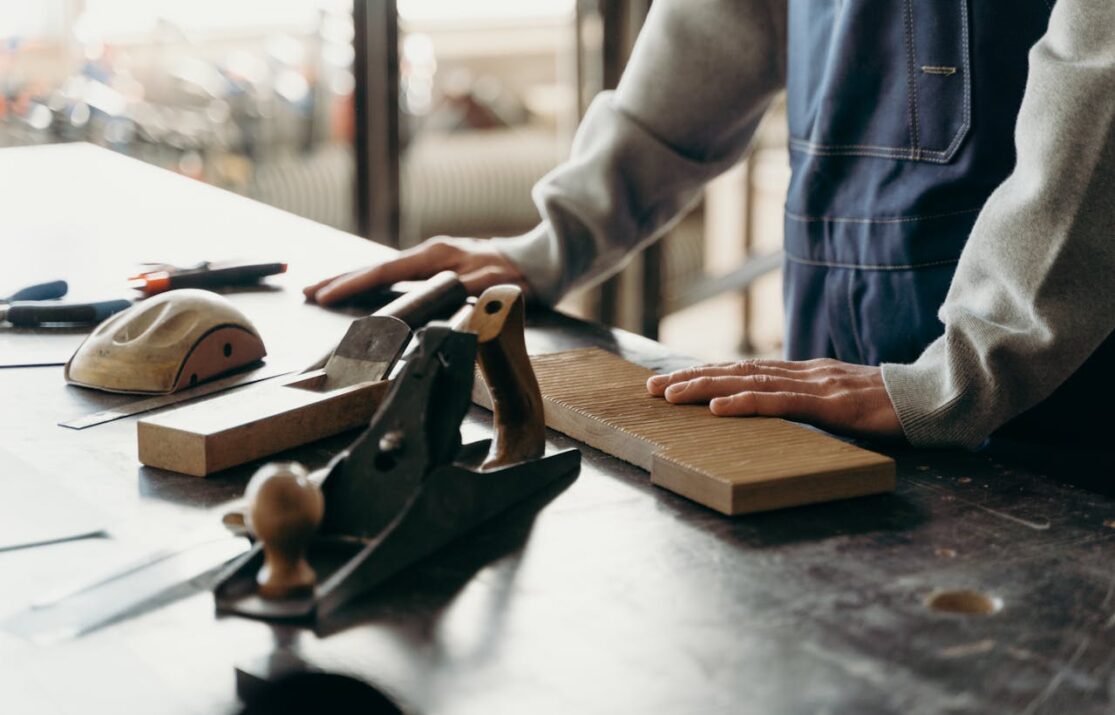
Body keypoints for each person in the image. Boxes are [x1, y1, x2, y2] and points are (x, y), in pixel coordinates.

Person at [306, 0, 1115, 449]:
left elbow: (1102, 69)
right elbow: (722, 21)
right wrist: (555, 240)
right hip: (836, 345)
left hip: (1049, 395)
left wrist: (963, 372)